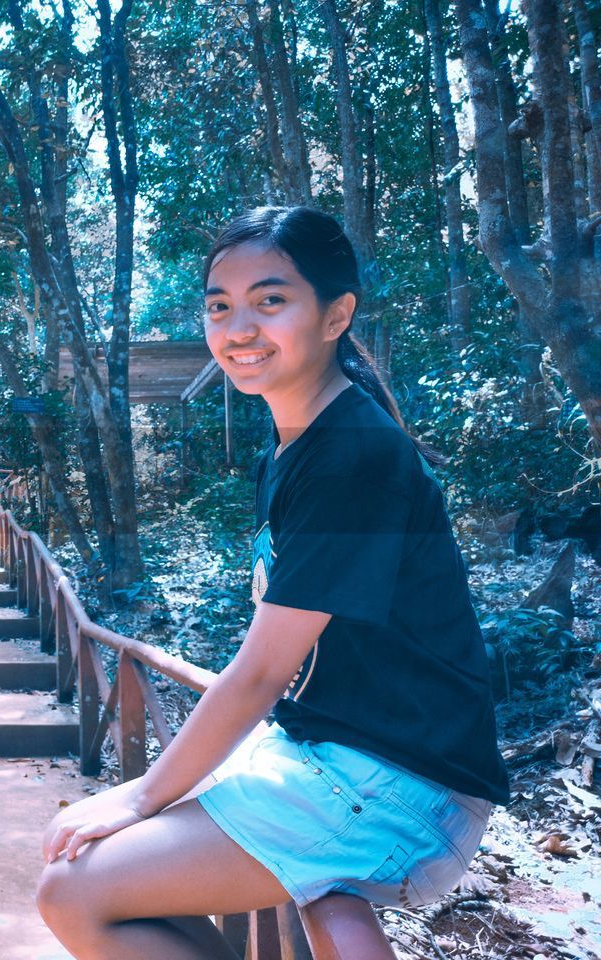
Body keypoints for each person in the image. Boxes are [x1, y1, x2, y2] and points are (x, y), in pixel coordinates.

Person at [35, 206, 510, 960]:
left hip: (399, 788)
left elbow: (260, 672)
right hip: (345, 758)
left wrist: (140, 794)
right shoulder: (298, 445)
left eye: (271, 299)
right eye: (220, 306)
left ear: (335, 315)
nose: (239, 327)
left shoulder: (350, 456)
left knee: (75, 891)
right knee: (82, 876)